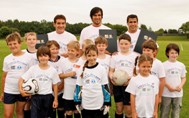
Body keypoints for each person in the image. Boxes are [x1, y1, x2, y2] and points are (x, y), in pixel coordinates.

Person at [18, 46, 60, 118]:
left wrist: (55, 100)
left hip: (48, 97)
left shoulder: (53, 70)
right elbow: (21, 79)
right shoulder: (33, 69)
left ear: (49, 57)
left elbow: (55, 85)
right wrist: (21, 90)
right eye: (40, 56)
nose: (43, 58)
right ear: (38, 58)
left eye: (45, 56)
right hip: (36, 97)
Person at [0, 32, 34, 118]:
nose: (13, 46)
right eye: (10, 44)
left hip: (22, 90)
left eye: (15, 43)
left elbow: (32, 75)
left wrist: (30, 90)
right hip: (9, 90)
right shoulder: (7, 58)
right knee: (7, 115)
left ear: (20, 43)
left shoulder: (29, 57)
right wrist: (2, 92)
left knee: (20, 113)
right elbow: (4, 77)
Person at [74, 45, 111, 118]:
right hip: (86, 102)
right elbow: (78, 86)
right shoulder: (82, 68)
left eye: (94, 55)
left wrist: (107, 102)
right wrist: (77, 101)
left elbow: (105, 86)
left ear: (97, 55)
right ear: (86, 56)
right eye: (89, 55)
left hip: (98, 102)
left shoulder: (101, 69)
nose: (91, 58)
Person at [109, 34, 139, 118]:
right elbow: (111, 71)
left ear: (130, 44)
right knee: (119, 108)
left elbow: (136, 73)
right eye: (121, 44)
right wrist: (112, 79)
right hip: (117, 85)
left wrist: (130, 80)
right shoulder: (115, 56)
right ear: (119, 44)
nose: (123, 46)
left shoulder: (135, 56)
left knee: (128, 109)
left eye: (126, 44)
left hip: (130, 85)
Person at [160, 43, 187, 118]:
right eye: (172, 53)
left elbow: (183, 77)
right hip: (166, 93)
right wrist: (168, 86)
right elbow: (162, 79)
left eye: (176, 53)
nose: (174, 55)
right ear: (167, 53)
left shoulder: (181, 65)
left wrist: (180, 86)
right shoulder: (163, 65)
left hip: (178, 94)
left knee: (176, 113)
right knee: (164, 113)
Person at [59, 41, 81, 118]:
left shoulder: (81, 61)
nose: (70, 52)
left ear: (77, 51)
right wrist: (69, 74)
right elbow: (60, 75)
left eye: (72, 50)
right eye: (68, 50)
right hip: (68, 93)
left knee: (77, 111)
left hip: (78, 92)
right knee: (69, 111)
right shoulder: (63, 61)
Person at [46, 40, 65, 118]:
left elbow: (65, 74)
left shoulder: (63, 60)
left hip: (61, 89)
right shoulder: (45, 60)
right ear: (48, 50)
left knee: (61, 109)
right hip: (50, 90)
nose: (55, 51)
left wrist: (62, 85)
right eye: (53, 49)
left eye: (56, 49)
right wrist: (52, 87)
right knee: (51, 110)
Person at [23, 32, 39, 118]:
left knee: (36, 104)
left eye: (33, 39)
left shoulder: (40, 52)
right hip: (26, 82)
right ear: (26, 41)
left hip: (38, 83)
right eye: (29, 39)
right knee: (26, 104)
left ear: (36, 41)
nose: (31, 41)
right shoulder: (23, 53)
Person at [95, 36, 111, 118]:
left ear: (106, 46)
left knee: (106, 107)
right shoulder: (94, 58)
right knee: (97, 107)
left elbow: (111, 72)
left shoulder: (109, 58)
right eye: (99, 45)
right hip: (96, 87)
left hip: (106, 86)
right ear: (96, 46)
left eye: (103, 45)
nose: (101, 47)